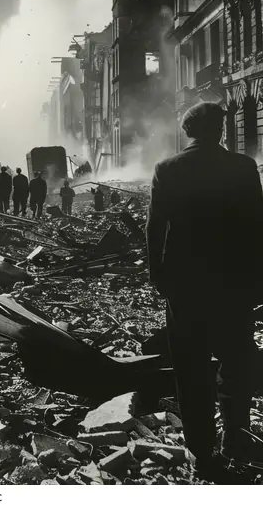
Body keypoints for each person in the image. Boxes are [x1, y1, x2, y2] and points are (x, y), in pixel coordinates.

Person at [147, 102, 263, 475]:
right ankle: (236, 436)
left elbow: (155, 229)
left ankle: (203, 452)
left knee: (191, 368)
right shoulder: (243, 168)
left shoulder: (168, 169)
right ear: (221, 131)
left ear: (188, 131)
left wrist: (159, 277)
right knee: (237, 362)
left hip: (185, 286)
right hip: (234, 285)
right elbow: (258, 226)